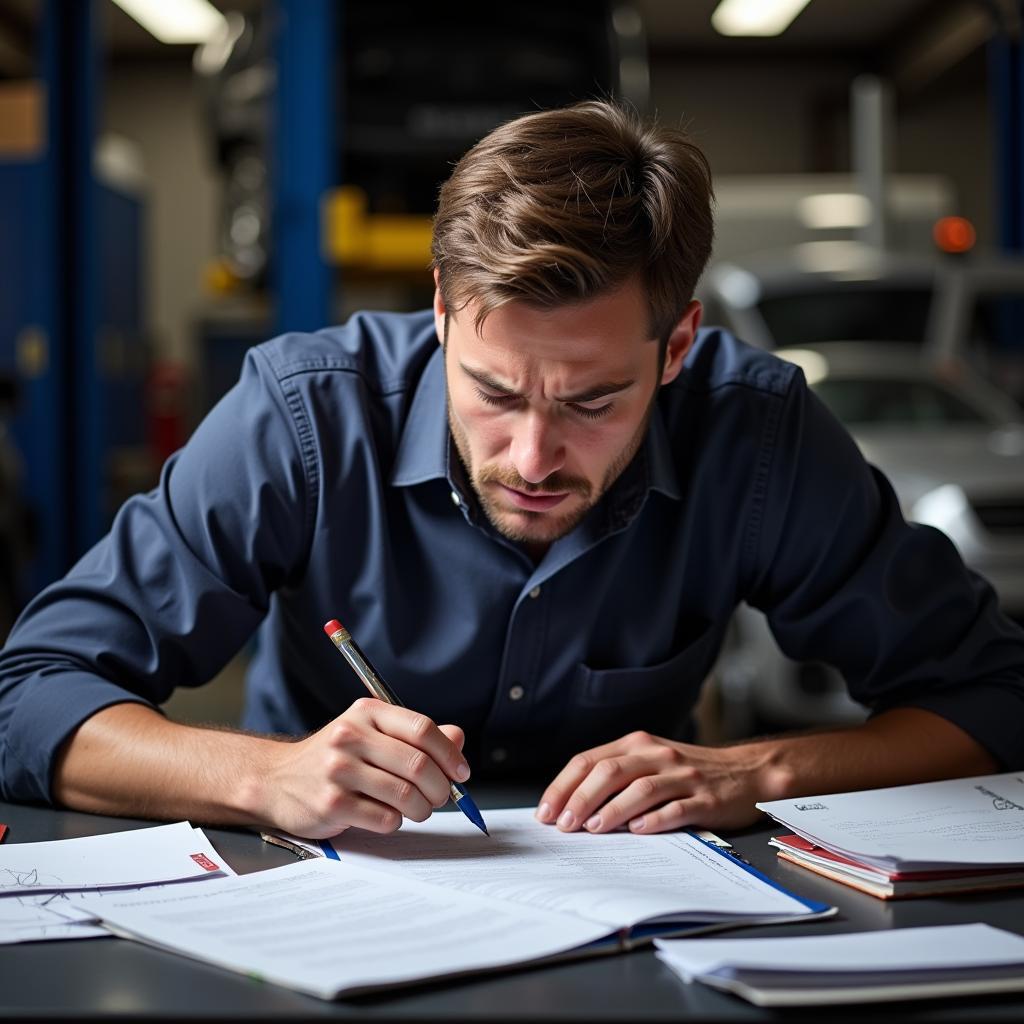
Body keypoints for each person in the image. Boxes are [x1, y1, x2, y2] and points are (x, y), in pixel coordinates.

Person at [0, 102, 1021, 841]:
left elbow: (993, 694)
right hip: (319, 899)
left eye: (591, 402)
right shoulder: (305, 415)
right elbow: (31, 693)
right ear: (441, 312)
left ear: (675, 349)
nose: (533, 458)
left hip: (646, 920)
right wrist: (266, 774)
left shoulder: (755, 434)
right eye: (491, 391)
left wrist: (765, 768)